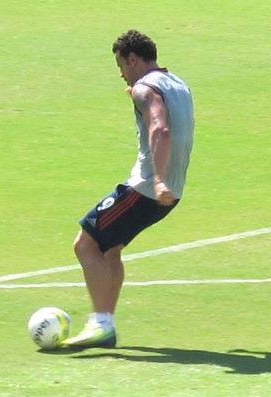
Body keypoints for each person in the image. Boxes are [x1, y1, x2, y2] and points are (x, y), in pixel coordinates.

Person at [63, 29, 194, 349]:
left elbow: (160, 128)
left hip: (147, 188)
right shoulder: (178, 83)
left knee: (85, 244)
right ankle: (104, 322)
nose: (120, 72)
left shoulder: (144, 89)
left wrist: (158, 178)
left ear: (132, 59)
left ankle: (101, 324)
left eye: (121, 64)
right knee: (110, 248)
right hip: (171, 192)